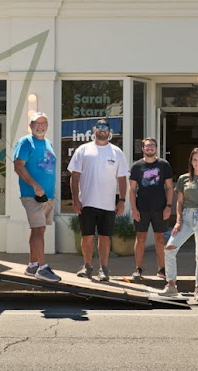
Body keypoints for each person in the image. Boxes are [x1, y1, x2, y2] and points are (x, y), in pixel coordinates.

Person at [68, 119, 129, 282]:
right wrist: (75, 200)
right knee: (87, 237)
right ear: (94, 130)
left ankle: (104, 269)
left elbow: (122, 179)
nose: (102, 130)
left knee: (104, 237)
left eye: (105, 128)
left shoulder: (117, 152)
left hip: (108, 204)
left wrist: (122, 200)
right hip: (86, 202)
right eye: (99, 127)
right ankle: (87, 266)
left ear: (110, 132)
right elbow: (74, 177)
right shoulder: (83, 150)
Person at [158, 148, 198, 301]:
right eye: (195, 160)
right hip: (186, 218)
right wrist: (178, 221)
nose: (197, 163)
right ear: (191, 162)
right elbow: (179, 202)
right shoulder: (183, 179)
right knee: (170, 248)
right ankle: (171, 285)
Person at [13, 112, 60, 282]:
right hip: (32, 195)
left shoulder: (48, 143)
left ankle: (33, 265)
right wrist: (34, 185)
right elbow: (18, 166)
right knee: (39, 229)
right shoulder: (26, 142)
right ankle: (43, 268)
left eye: (43, 123)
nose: (40, 126)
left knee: (38, 229)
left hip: (46, 196)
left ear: (47, 125)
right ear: (30, 126)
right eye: (36, 123)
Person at [129, 137, 174, 280]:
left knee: (160, 238)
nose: (150, 148)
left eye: (152, 145)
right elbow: (132, 190)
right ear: (142, 148)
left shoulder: (164, 165)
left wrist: (168, 207)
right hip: (142, 207)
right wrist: (134, 209)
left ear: (156, 148)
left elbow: (169, 187)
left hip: (160, 208)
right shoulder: (136, 166)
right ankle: (138, 269)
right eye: (147, 146)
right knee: (140, 238)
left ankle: (162, 269)